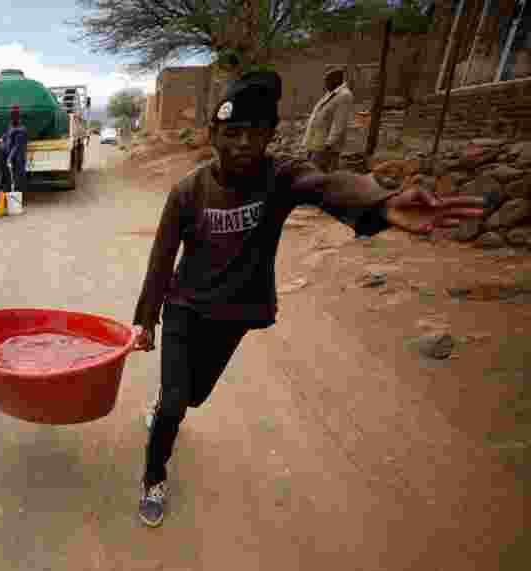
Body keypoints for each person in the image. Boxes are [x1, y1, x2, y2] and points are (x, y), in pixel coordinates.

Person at [129, 71, 485, 528]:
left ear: (269, 136)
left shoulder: (280, 176)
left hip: (233, 314)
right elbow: (161, 260)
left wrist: (380, 204)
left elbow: (328, 185)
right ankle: (154, 476)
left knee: (193, 397)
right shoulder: (187, 192)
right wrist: (146, 320)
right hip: (184, 308)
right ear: (214, 135)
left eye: (254, 134)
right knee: (177, 403)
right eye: (232, 133)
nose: (242, 144)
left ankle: (166, 403)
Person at [301, 65, 354, 173]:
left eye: (327, 80)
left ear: (336, 79)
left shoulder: (344, 95)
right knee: (311, 173)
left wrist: (329, 144)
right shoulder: (331, 94)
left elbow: (339, 123)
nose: (325, 84)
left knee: (318, 176)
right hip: (315, 143)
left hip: (325, 146)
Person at [2, 104, 29, 195]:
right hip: (12, 157)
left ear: (17, 117)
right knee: (11, 177)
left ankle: (18, 197)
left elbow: (17, 146)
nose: (12, 119)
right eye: (11, 116)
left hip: (18, 158)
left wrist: (9, 157)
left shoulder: (21, 130)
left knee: (18, 178)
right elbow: (6, 137)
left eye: (14, 117)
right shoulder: (11, 127)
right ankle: (13, 195)